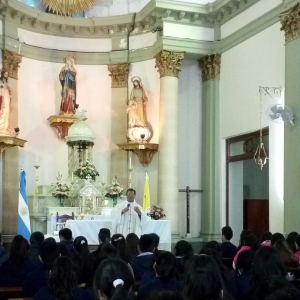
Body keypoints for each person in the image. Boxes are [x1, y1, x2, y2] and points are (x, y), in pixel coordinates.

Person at [0, 70, 12, 135]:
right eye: (5, 74)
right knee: (3, 111)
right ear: (2, 74)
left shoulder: (7, 82)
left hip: (7, 97)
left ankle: (5, 127)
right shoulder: (0, 81)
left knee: (7, 111)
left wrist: (9, 91)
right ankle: (1, 127)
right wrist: (3, 88)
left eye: (7, 74)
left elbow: (9, 90)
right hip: (3, 97)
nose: (6, 76)